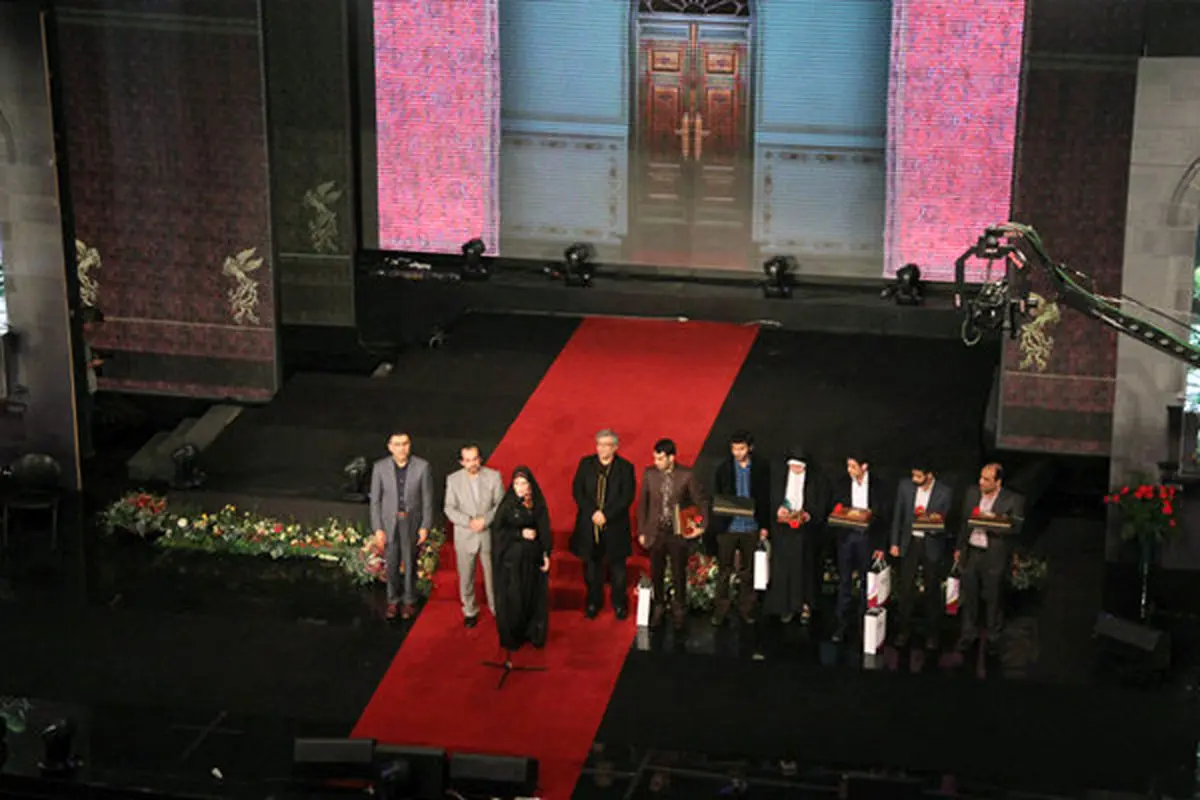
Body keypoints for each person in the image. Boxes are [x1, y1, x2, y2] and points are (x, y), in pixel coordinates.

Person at [636, 438, 708, 629]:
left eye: (660, 459)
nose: (656, 462)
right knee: (657, 572)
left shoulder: (686, 475)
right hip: (655, 532)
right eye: (655, 458)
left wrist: (701, 526)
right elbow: (643, 504)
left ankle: (679, 611)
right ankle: (659, 607)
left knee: (678, 573)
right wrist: (642, 530)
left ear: (671, 458)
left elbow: (700, 501)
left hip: (677, 532)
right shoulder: (650, 474)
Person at [954, 463, 1024, 654]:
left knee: (994, 598)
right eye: (981, 477)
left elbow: (1016, 526)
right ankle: (968, 635)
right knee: (969, 595)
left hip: (994, 555)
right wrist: (959, 547)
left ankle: (993, 637)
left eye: (986, 479)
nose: (981, 482)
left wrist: (990, 521)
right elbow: (964, 522)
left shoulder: (1013, 499)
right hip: (972, 552)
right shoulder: (972, 493)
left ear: (998, 482)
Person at [570, 429, 636, 620]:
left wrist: (606, 514)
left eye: (607, 445)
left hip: (615, 526)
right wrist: (593, 512)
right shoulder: (586, 464)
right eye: (599, 444)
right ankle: (593, 602)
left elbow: (627, 496)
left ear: (615, 447)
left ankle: (619, 604)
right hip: (590, 524)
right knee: (591, 568)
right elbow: (578, 491)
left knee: (618, 569)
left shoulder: (625, 468)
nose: (602, 449)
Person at [369, 431, 434, 621]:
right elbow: (375, 501)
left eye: (405, 444)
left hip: (411, 522)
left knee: (410, 562)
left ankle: (409, 600)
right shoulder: (380, 468)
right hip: (389, 523)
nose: (401, 448)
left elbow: (427, 500)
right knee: (391, 564)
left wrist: (425, 526)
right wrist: (378, 528)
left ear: (409, 445)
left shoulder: (422, 467)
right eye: (397, 444)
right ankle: (392, 600)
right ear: (390, 447)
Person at [710, 431, 772, 626]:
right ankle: (721, 610)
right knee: (724, 571)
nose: (737, 452)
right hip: (729, 526)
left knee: (748, 571)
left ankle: (747, 609)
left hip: (751, 526)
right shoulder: (723, 469)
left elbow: (765, 498)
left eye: (741, 448)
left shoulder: (761, 468)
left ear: (750, 448)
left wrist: (764, 526)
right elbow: (717, 497)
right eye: (734, 449)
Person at [889, 464, 953, 649]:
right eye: (913, 475)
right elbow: (898, 515)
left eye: (918, 476)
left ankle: (932, 633)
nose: (914, 480)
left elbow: (947, 523)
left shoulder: (944, 492)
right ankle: (903, 630)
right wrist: (894, 543)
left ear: (930, 475)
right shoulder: (904, 487)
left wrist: (932, 523)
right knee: (905, 588)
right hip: (909, 543)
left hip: (931, 543)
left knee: (932, 589)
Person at [443, 442, 505, 628]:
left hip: (488, 534)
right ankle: (470, 610)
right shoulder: (453, 480)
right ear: (462, 462)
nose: (472, 463)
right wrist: (469, 521)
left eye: (475, 459)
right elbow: (449, 508)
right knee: (466, 577)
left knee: (492, 576)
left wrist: (485, 520)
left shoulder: (494, 476)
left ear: (480, 459)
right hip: (465, 535)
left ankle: (497, 609)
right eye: (468, 460)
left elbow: (501, 505)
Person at [765, 446, 830, 624]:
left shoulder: (816, 480)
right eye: (793, 467)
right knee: (784, 570)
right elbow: (770, 499)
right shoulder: (778, 477)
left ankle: (804, 606)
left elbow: (820, 504)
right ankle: (785, 607)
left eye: (799, 467)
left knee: (804, 571)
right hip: (783, 532)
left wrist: (808, 515)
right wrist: (778, 510)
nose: (796, 470)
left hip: (805, 533)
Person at [493, 466, 552, 651]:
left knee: (533, 595)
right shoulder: (507, 505)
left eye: (523, 483)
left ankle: (532, 632)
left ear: (530, 485)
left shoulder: (537, 503)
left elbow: (544, 530)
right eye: (516, 483)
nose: (520, 487)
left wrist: (546, 554)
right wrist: (520, 533)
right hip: (513, 563)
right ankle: (514, 635)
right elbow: (498, 532)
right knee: (515, 597)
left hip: (532, 560)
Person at [831, 454, 889, 643]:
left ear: (864, 467)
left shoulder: (878, 486)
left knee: (867, 583)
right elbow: (834, 508)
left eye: (853, 466)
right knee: (844, 583)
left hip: (867, 540)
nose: (849, 470)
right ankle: (841, 625)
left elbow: (884, 517)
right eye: (848, 466)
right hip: (847, 538)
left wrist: (881, 545)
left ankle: (864, 626)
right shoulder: (842, 483)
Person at [79, 307, 105, 459]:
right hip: (85, 387)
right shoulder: (79, 342)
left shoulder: (84, 341)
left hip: (89, 385)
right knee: (85, 420)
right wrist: (93, 363)